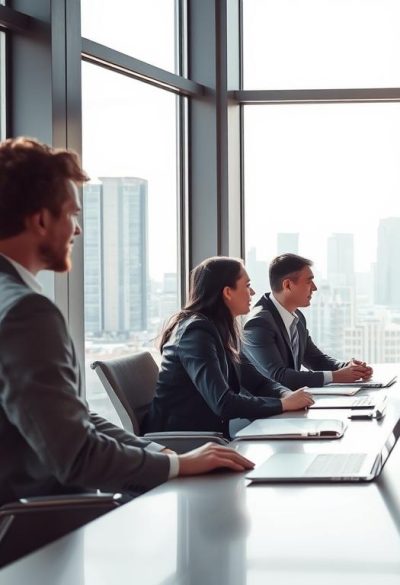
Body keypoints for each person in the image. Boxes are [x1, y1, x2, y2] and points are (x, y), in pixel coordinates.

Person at [0, 137, 252, 505]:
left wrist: (161, 453)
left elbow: (76, 416)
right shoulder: (28, 313)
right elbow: (77, 456)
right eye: (71, 214)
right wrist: (177, 466)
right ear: (41, 219)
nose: (77, 230)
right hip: (42, 528)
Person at [146, 257, 315, 435]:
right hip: (182, 441)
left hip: (209, 437)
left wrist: (285, 394)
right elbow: (223, 403)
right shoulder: (196, 333)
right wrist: (283, 404)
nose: (253, 292)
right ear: (228, 292)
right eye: (247, 285)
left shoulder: (220, 329)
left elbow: (256, 381)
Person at [243, 253, 372, 389]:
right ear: (287, 285)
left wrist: (349, 368)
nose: (315, 288)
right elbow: (278, 376)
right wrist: (337, 376)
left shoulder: (296, 317)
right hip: (267, 407)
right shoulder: (258, 323)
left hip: (292, 402)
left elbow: (316, 359)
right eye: (309, 281)